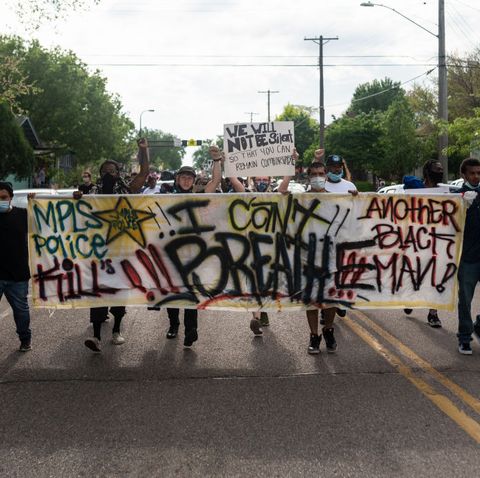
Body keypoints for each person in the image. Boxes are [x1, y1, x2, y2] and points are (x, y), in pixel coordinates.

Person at [80, 138, 150, 353]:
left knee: (119, 291)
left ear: (118, 173)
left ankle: (117, 330)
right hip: (99, 253)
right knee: (99, 293)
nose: (108, 173)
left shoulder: (127, 191)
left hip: (122, 252)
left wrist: (143, 150)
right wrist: (76, 199)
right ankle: (96, 335)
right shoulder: (91, 193)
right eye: (105, 171)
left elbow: (144, 171)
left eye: (113, 170)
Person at [227, 150, 298, 335]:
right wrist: (228, 162)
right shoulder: (247, 193)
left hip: (272, 249)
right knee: (254, 283)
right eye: (258, 179)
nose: (262, 182)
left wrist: (292, 161)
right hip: (251, 249)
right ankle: (256, 318)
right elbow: (234, 181)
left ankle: (263, 311)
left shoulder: (276, 193)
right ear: (252, 180)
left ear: (269, 181)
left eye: (265, 179)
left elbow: (284, 185)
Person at [164, 150, 223, 347]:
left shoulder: (199, 196)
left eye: (190, 177)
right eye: (183, 177)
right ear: (177, 179)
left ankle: (191, 329)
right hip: (171, 252)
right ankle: (173, 325)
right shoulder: (165, 197)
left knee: (191, 291)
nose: (187, 181)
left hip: (195, 254)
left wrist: (216, 160)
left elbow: (215, 181)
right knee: (173, 291)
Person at [402, 159, 445, 327]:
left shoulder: (445, 192)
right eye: (437, 169)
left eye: (441, 169)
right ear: (427, 171)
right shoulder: (415, 185)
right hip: (414, 238)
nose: (440, 172)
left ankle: (433, 313)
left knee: (435, 275)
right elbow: (407, 179)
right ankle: (410, 298)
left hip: (436, 240)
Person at [0, 182, 32, 352]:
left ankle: (25, 339)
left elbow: (47, 221)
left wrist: (38, 203)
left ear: (11, 197)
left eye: (3, 198)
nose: (0, 201)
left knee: (21, 311)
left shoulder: (23, 215)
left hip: (18, 275)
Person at [456, 158, 480, 355]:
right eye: (472, 173)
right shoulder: (456, 196)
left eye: (479, 173)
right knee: (465, 299)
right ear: (464, 174)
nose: (476, 176)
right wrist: (462, 205)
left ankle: (478, 325)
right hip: (467, 257)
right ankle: (464, 337)